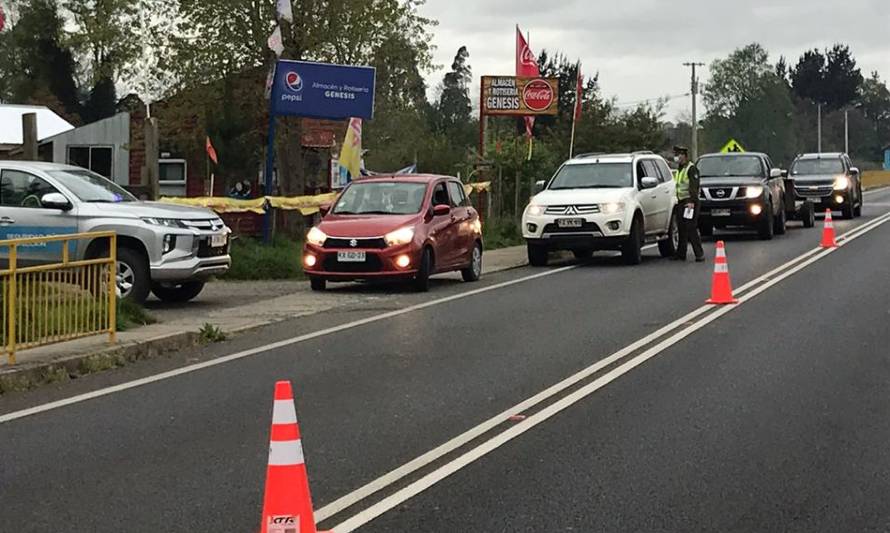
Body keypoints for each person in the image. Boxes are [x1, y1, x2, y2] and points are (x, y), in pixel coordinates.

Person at [672, 146, 705, 262]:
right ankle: (681, 254)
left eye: (679, 155)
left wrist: (691, 201)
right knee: (681, 228)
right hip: (681, 202)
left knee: (690, 227)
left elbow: (694, 186)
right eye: (676, 155)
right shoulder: (680, 169)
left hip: (690, 202)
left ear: (685, 156)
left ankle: (699, 254)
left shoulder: (691, 169)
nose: (677, 158)